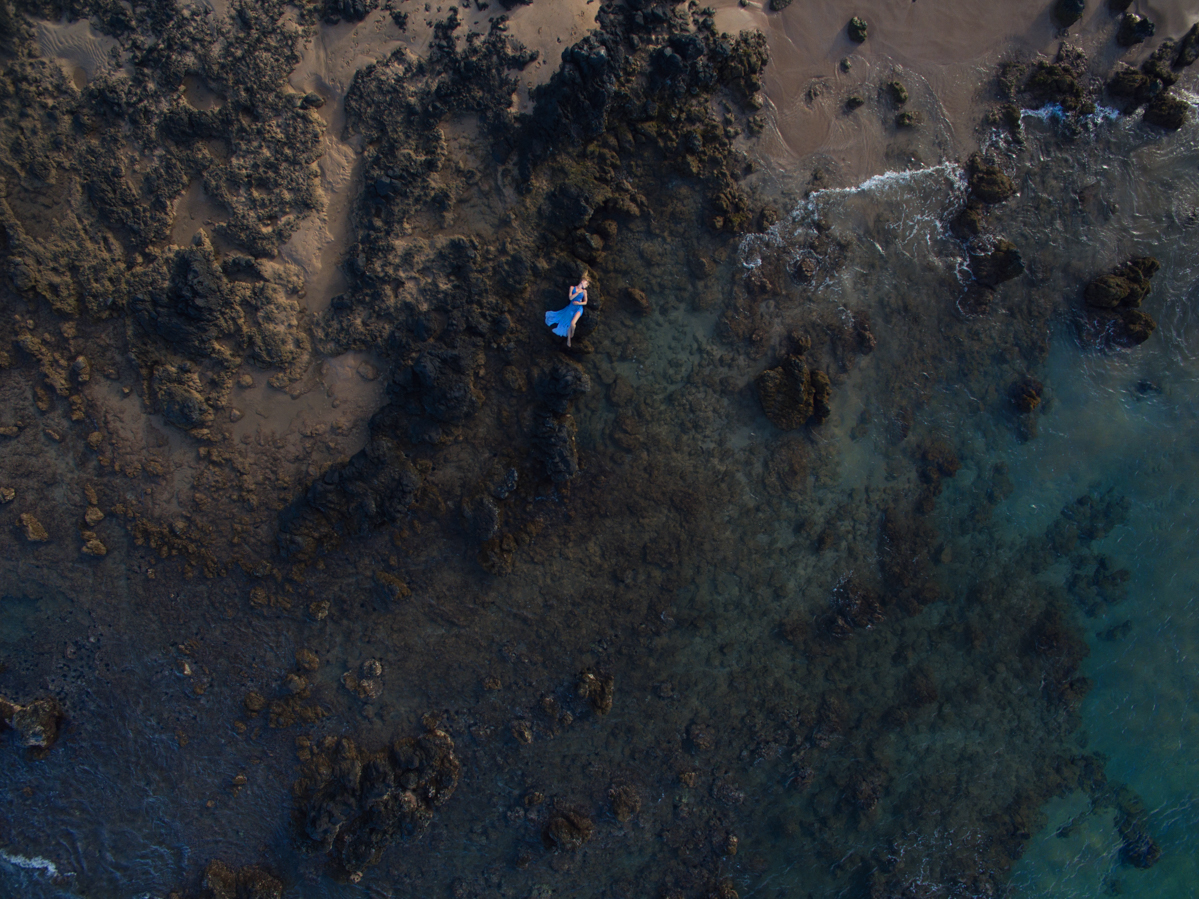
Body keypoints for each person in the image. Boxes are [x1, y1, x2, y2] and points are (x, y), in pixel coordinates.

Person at [545, 278, 589, 347]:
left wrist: (578, 303)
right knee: (568, 323)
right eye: (586, 283)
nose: (586, 286)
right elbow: (570, 298)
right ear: (582, 281)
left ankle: (572, 334)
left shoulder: (584, 291)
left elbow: (585, 302)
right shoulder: (572, 288)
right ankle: (569, 340)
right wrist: (578, 292)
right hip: (571, 308)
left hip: (579, 308)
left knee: (572, 323)